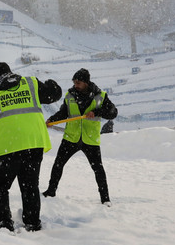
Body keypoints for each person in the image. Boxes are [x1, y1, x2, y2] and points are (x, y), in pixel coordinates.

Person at [0, 62, 62, 232]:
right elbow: (55, 93)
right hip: (34, 143)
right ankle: (32, 223)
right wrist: (52, 83)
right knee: (29, 184)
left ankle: (4, 223)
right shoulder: (31, 83)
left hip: (6, 146)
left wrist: (6, 133)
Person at [42, 68, 118, 206]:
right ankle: (51, 191)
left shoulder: (100, 95)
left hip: (90, 139)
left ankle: (105, 199)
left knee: (98, 169)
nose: (75, 85)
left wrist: (97, 112)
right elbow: (63, 113)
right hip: (71, 137)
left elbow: (113, 112)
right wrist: (52, 120)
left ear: (86, 82)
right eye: (74, 82)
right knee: (58, 164)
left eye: (78, 82)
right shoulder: (70, 95)